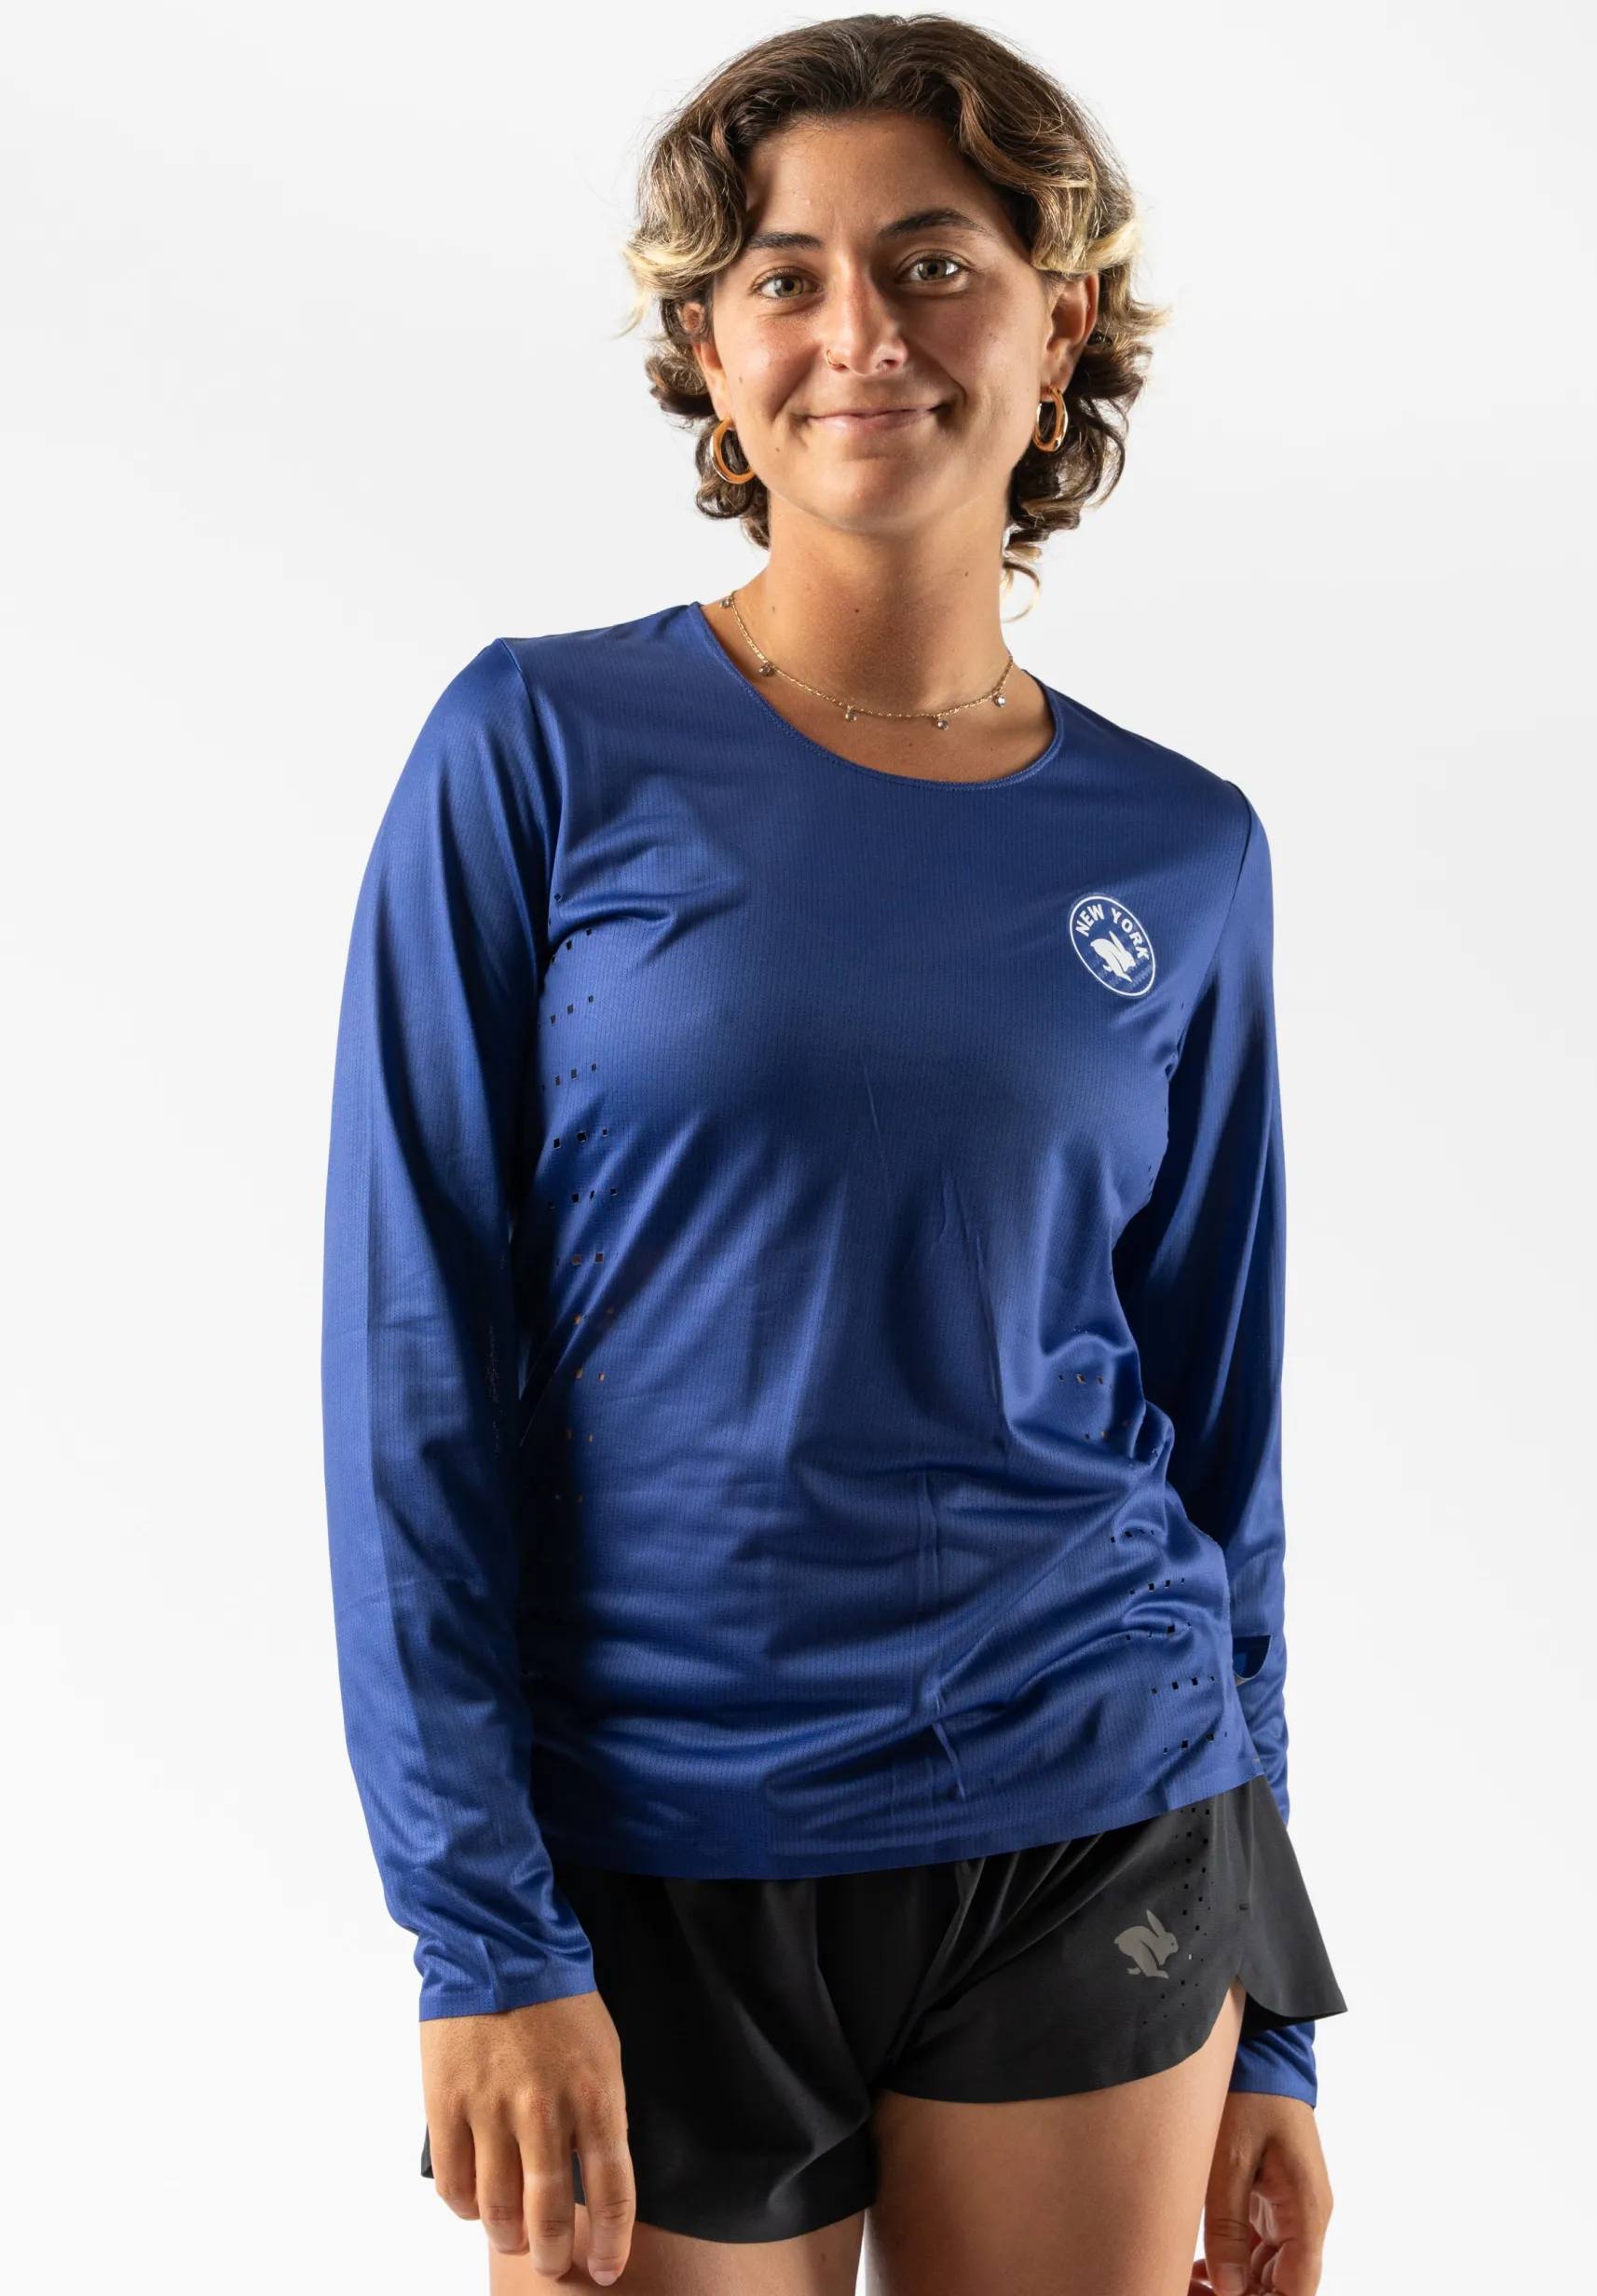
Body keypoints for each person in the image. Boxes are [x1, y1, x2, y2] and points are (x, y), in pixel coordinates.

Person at [321, 15, 1348, 2295]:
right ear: (711, 348)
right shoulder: (536, 748)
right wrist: (478, 1928)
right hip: (654, 1847)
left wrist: (1271, 2020)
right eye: (786, 276)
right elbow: (409, 1369)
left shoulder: (1183, 850)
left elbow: (1222, 1434)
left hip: (1101, 1812)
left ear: (1059, 326)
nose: (861, 331)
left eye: (935, 263)